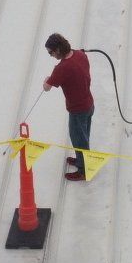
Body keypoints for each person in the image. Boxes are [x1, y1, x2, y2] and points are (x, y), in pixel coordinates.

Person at [41, 33, 95, 181]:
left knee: (78, 139)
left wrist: (48, 78)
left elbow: (46, 87)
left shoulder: (62, 68)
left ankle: (84, 170)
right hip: (89, 104)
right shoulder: (80, 55)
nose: (50, 55)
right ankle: (81, 159)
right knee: (84, 135)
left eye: (50, 52)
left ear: (58, 50)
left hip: (77, 110)